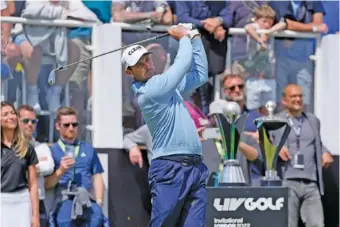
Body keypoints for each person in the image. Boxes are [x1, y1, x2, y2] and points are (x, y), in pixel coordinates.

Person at [121, 24, 209, 226]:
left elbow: (201, 74)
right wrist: (184, 38)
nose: (147, 65)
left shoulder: (167, 87)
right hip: (170, 168)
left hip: (195, 166)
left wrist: (195, 38)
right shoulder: (151, 91)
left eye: (147, 59)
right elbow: (182, 64)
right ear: (129, 71)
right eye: (140, 64)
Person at [273, 84, 333, 227]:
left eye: (300, 96)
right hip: (287, 180)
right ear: (284, 100)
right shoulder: (275, 121)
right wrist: (276, 148)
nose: (298, 99)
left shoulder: (313, 120)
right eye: (293, 96)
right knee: (288, 224)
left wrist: (324, 151)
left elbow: (316, 142)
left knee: (317, 223)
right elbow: (265, 142)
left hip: (311, 181)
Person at [44, 107, 107, 226]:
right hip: (64, 199)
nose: (71, 128)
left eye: (74, 124)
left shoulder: (88, 148)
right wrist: (61, 170)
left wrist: (99, 201)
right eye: (66, 125)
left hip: (87, 199)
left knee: (97, 219)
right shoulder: (52, 150)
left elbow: (97, 176)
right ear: (58, 126)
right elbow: (47, 185)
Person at [1, 101, 40, 227]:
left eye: (13, 113)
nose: (10, 117)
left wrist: (35, 216)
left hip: (22, 202)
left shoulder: (27, 148)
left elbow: (33, 185)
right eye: (5, 114)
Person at [18, 104, 55, 227]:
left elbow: (49, 166)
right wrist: (37, 164)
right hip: (15, 203)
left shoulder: (42, 147)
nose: (30, 124)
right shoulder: (8, 148)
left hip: (38, 204)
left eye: (33, 121)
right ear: (17, 122)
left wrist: (27, 168)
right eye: (26, 121)